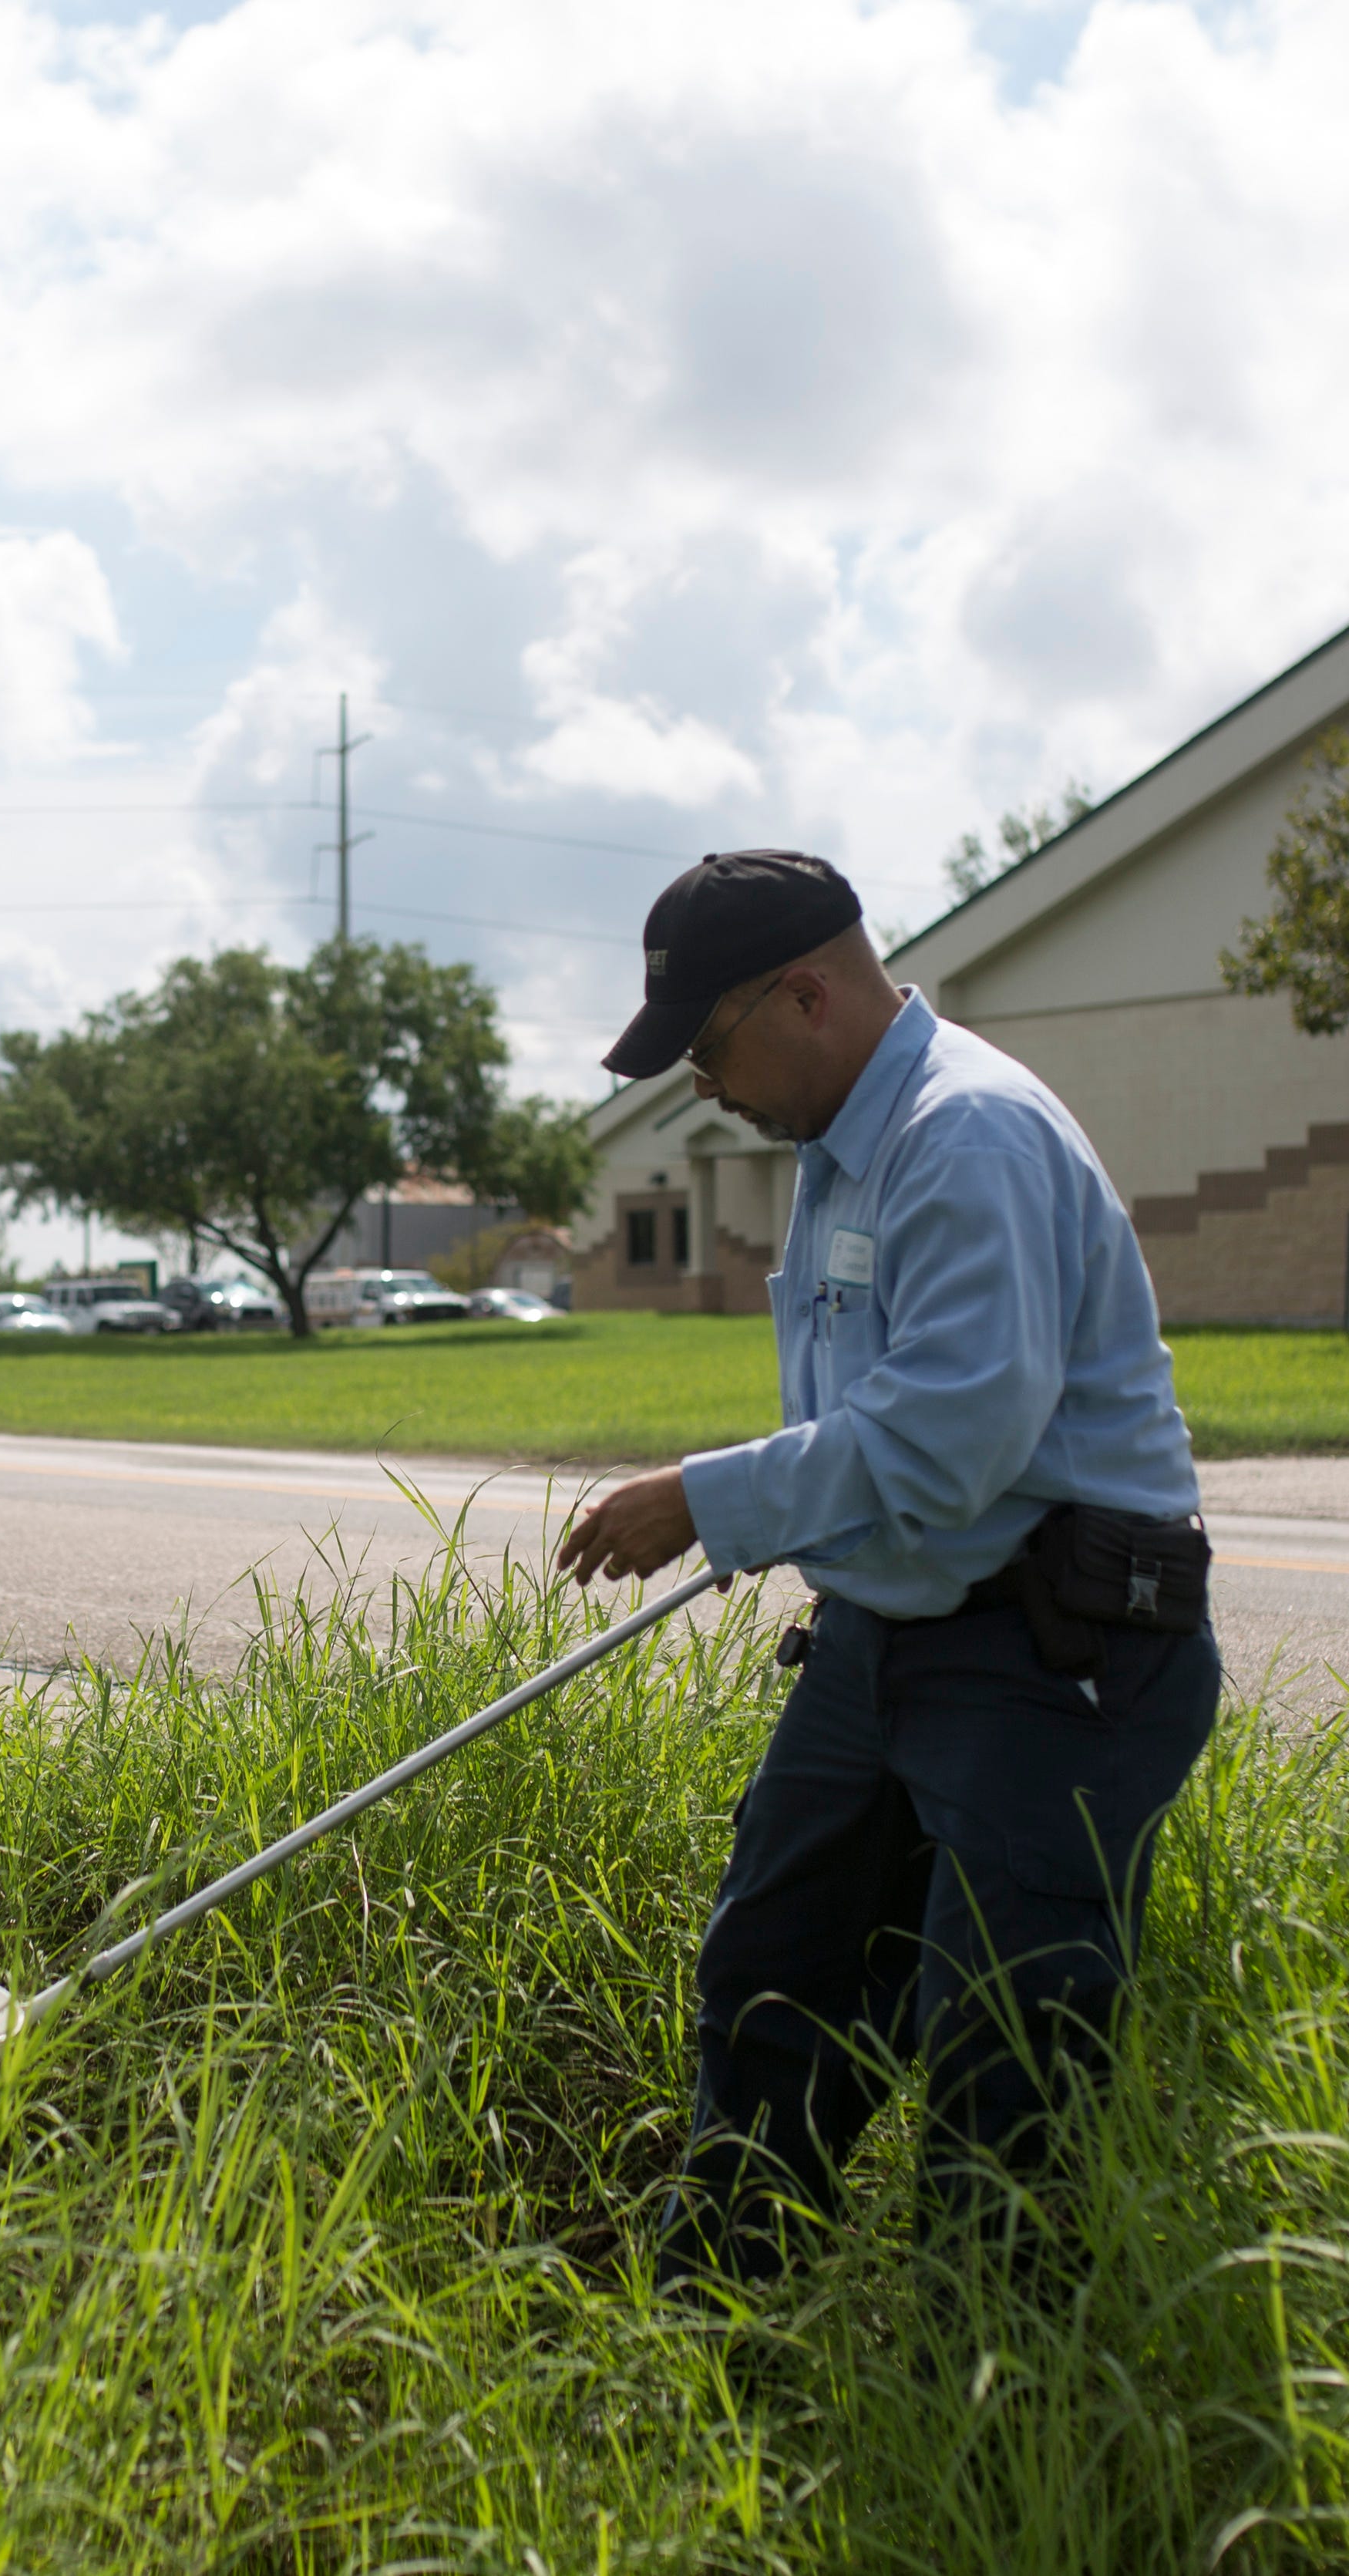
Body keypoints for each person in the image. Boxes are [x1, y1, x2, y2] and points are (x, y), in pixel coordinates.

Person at [551, 848, 1219, 2293]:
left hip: (1059, 1645)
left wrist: (703, 1500)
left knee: (1009, 2040)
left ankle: (994, 2402)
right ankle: (717, 2302)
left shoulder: (963, 1133)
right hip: (896, 1625)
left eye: (708, 1048)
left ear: (805, 992)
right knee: (772, 1960)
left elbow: (949, 1437)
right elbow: (873, 1430)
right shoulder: (843, 1144)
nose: (703, 1087)